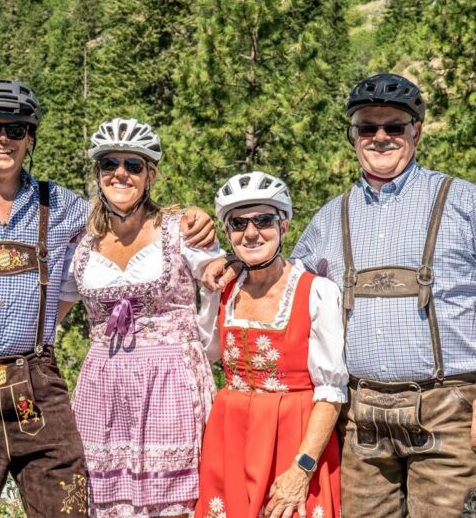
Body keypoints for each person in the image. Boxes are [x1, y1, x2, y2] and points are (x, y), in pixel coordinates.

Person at [0, 80, 215, 517]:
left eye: (16, 130)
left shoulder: (63, 205)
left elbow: (125, 214)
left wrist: (190, 216)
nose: (3, 138)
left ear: (30, 139)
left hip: (38, 384)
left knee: (68, 510)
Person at [204, 73, 476, 517]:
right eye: (368, 127)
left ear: (417, 132)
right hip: (361, 418)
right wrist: (236, 262)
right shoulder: (332, 217)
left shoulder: (464, 202)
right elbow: (285, 278)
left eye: (395, 126)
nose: (381, 137)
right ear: (353, 136)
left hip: (448, 409)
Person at [59, 118, 223, 518]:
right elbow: (52, 315)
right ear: (97, 174)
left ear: (151, 174)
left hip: (171, 382)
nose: (120, 173)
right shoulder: (80, 242)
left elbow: (224, 279)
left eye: (133, 166)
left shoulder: (182, 230)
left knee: (175, 504)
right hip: (103, 387)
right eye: (109, 164)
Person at [196, 171, 347, 518]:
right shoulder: (224, 291)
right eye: (238, 223)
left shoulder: (316, 293)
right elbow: (206, 353)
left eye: (263, 220)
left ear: (285, 227)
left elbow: (331, 392)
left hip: (293, 440)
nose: (251, 233)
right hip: (230, 438)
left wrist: (302, 467)